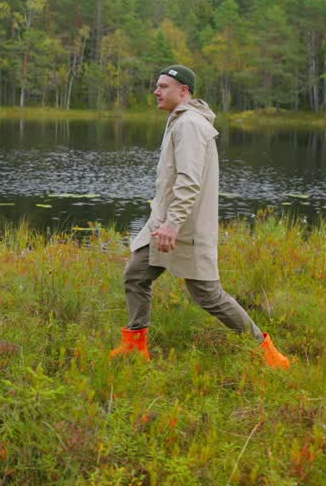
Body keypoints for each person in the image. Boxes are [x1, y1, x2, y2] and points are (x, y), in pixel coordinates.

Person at [109, 64, 290, 369]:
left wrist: (172, 223)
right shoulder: (180, 120)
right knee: (136, 275)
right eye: (157, 85)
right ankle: (135, 346)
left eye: (164, 86)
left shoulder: (189, 124)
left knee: (209, 296)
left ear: (184, 91)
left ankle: (266, 352)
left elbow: (189, 181)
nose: (156, 91)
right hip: (164, 225)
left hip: (182, 229)